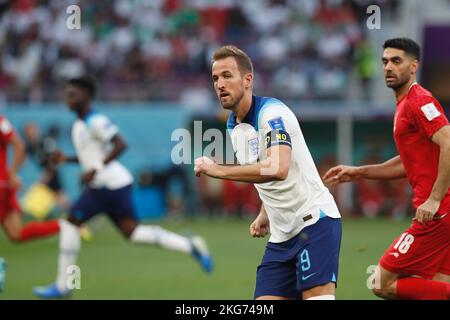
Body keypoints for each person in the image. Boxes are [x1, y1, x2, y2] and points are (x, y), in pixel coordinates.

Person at [33, 76, 213, 299]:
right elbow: (92, 158)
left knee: (70, 224)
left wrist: (95, 169)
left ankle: (65, 285)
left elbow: (121, 144)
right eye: (67, 94)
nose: (68, 98)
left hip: (106, 186)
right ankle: (191, 245)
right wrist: (67, 159)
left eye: (73, 94)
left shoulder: (95, 120)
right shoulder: (80, 123)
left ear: (87, 96)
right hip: (114, 184)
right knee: (134, 233)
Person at [194, 45, 342, 300]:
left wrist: (218, 170)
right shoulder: (234, 126)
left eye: (228, 75)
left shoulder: (272, 115)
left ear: (248, 80)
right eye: (215, 78)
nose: (220, 84)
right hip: (281, 237)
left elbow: (278, 167)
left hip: (314, 223)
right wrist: (265, 212)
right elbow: (263, 170)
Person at [323, 38, 450, 300]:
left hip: (438, 212)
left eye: (396, 61)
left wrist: (435, 198)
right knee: (436, 285)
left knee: (380, 282)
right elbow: (409, 161)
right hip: (442, 212)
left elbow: (448, 141)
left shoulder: (418, 101)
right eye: (384, 62)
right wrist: (359, 172)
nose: (388, 67)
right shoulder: (404, 105)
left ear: (414, 66)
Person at [0, 115, 60, 242]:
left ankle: (64, 225)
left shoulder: (1, 122)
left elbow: (18, 144)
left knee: (16, 233)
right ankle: (64, 225)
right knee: (16, 234)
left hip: (3, 184)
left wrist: (12, 173)